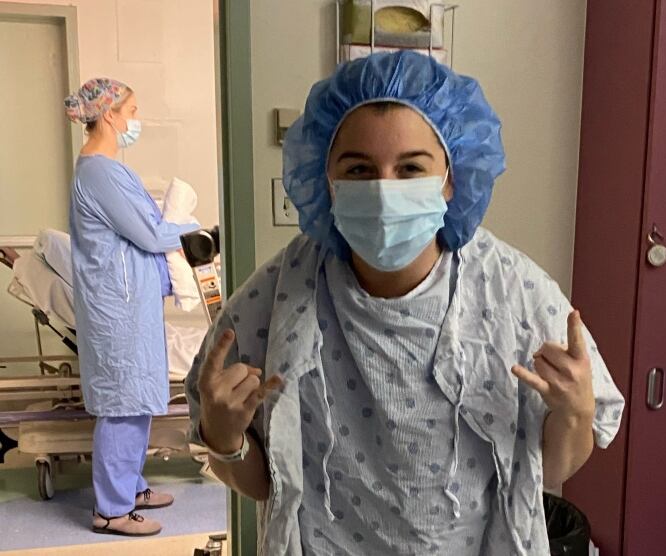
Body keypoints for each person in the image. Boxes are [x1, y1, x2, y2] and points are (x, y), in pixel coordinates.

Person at [185, 52, 624, 555]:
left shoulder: (512, 296)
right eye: (359, 168)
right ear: (326, 180)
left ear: (451, 179)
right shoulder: (278, 300)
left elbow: (548, 470)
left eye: (411, 167)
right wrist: (224, 440)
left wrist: (575, 413)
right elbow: (265, 483)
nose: (383, 190)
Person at [65, 78, 200, 536]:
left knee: (137, 398)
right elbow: (151, 233)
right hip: (115, 308)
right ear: (109, 115)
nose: (136, 121)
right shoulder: (99, 172)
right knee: (122, 403)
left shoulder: (108, 169)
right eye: (133, 111)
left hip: (130, 304)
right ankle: (111, 510)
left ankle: (131, 485)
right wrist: (193, 229)